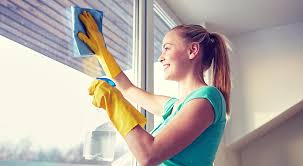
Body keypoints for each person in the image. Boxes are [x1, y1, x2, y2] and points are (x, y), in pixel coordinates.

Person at [78, 11, 231, 166]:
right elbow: (128, 89)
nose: (160, 57)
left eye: (167, 48)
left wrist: (113, 102)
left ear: (192, 51)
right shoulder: (174, 106)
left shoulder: (208, 97)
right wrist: (102, 53)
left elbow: (149, 155)